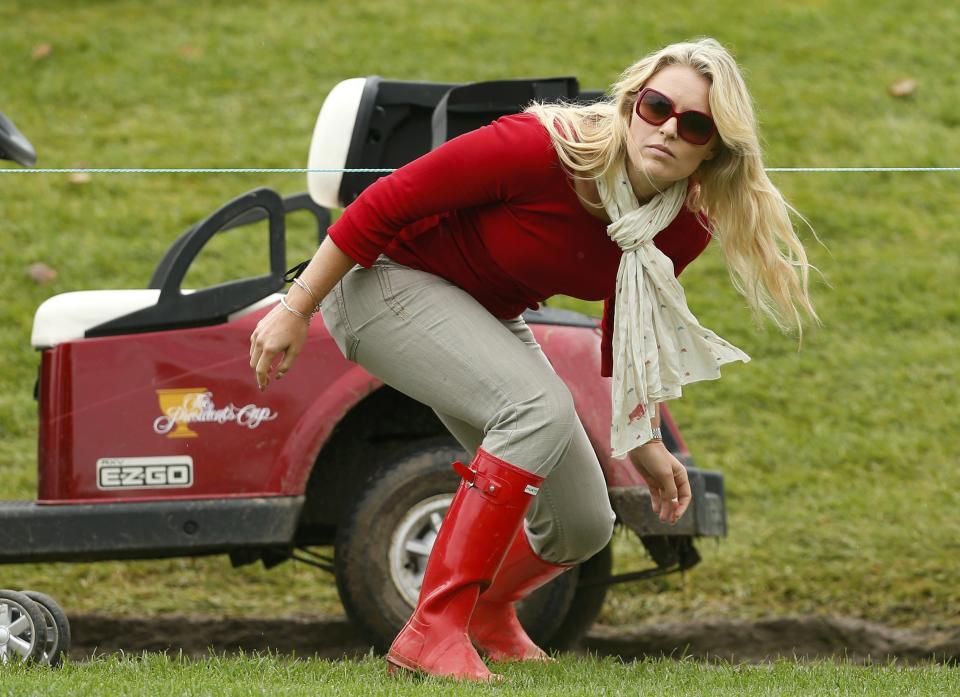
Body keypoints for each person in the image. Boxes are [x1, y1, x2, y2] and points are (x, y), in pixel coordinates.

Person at [249, 37, 819, 681]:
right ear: (631, 101)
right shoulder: (538, 146)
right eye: (656, 106)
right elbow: (382, 202)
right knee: (536, 408)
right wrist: (294, 309)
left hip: (482, 313)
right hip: (377, 285)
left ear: (712, 147)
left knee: (582, 524)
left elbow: (629, 317)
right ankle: (432, 628)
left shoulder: (682, 222)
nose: (667, 129)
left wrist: (644, 438)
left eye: (694, 124)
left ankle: (490, 611)